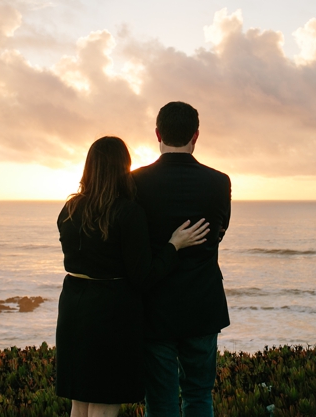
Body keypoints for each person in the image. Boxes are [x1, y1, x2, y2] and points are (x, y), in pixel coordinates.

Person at [55, 136, 210, 417]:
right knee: (104, 401)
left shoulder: (70, 209)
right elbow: (144, 276)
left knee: (79, 402)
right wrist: (174, 246)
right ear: (123, 168)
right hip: (110, 315)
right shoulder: (128, 213)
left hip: (73, 310)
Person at [132, 102, 231, 417]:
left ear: (158, 134)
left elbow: (132, 242)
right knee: (199, 395)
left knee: (160, 401)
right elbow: (219, 232)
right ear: (196, 135)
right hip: (202, 303)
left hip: (155, 305)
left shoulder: (135, 182)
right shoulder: (219, 181)